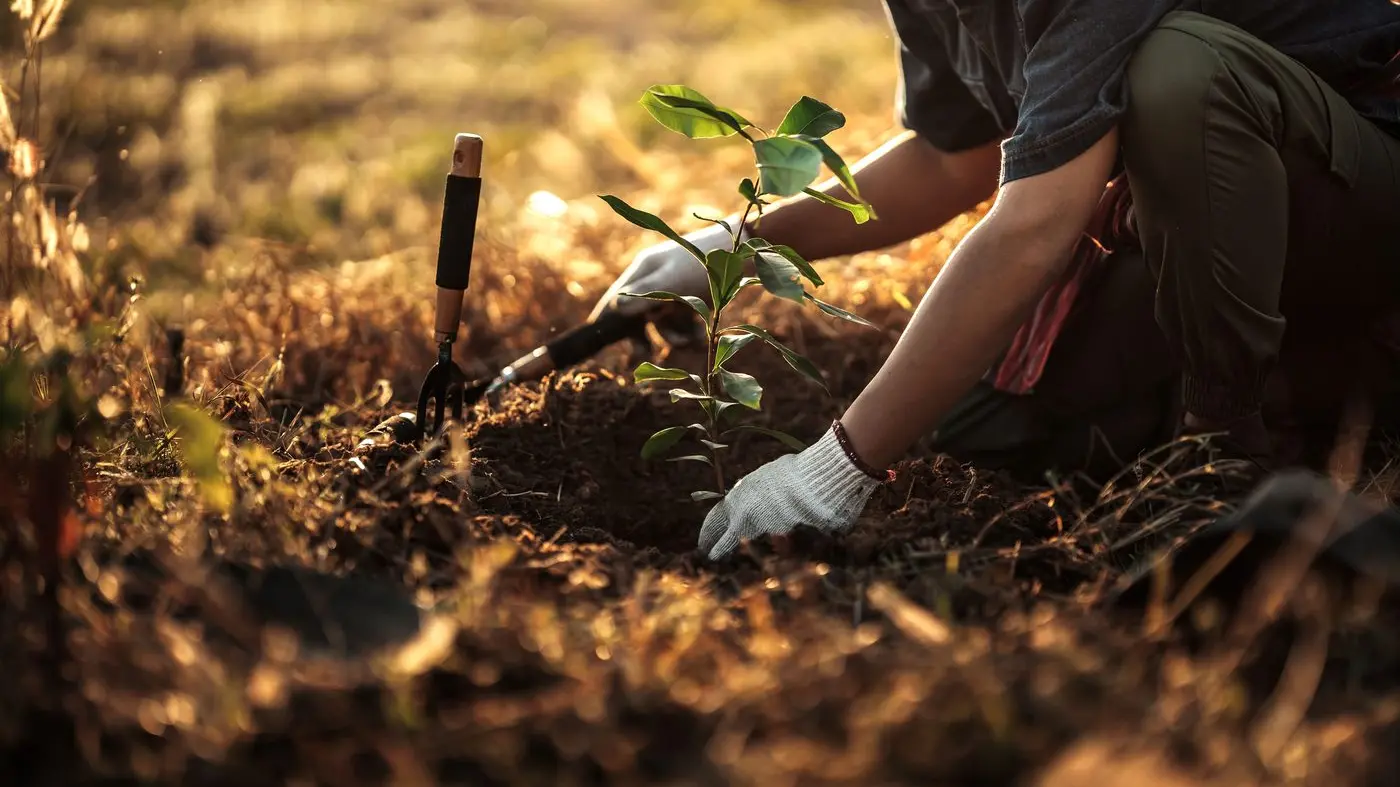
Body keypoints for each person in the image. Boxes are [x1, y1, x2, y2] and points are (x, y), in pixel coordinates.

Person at [590, 1, 1400, 561]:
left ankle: (1226, 455)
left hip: (1361, 196)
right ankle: (1322, 389)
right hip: (1218, 230)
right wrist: (736, 242)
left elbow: (1039, 220)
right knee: (989, 434)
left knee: (1179, 70)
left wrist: (836, 466)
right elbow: (957, 156)